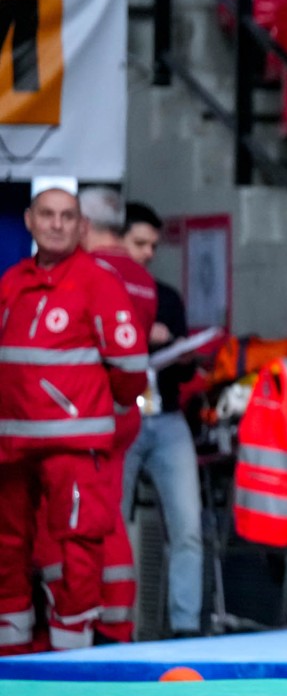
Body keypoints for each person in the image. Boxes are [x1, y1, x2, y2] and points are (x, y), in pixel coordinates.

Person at [0, 185, 147, 653]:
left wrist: (105, 411)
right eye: (47, 214)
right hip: (11, 442)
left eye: (67, 216)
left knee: (80, 545)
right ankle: (10, 646)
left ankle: (71, 651)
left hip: (75, 443)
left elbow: (130, 368)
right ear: (29, 220)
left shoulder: (99, 282)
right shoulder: (11, 282)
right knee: (7, 544)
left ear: (82, 226)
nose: (56, 224)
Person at [119, 203, 206, 638]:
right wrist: (140, 335)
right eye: (140, 243)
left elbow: (185, 370)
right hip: (122, 416)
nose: (148, 253)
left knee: (188, 525)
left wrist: (181, 352)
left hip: (167, 414)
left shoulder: (166, 297)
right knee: (113, 524)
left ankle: (186, 625)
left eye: (154, 245)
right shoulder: (102, 292)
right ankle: (114, 622)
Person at [79, 188, 158, 644]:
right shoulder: (143, 279)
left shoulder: (87, 273)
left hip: (87, 412)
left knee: (86, 519)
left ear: (83, 225)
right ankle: (116, 622)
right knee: (111, 514)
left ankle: (95, 623)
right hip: (124, 409)